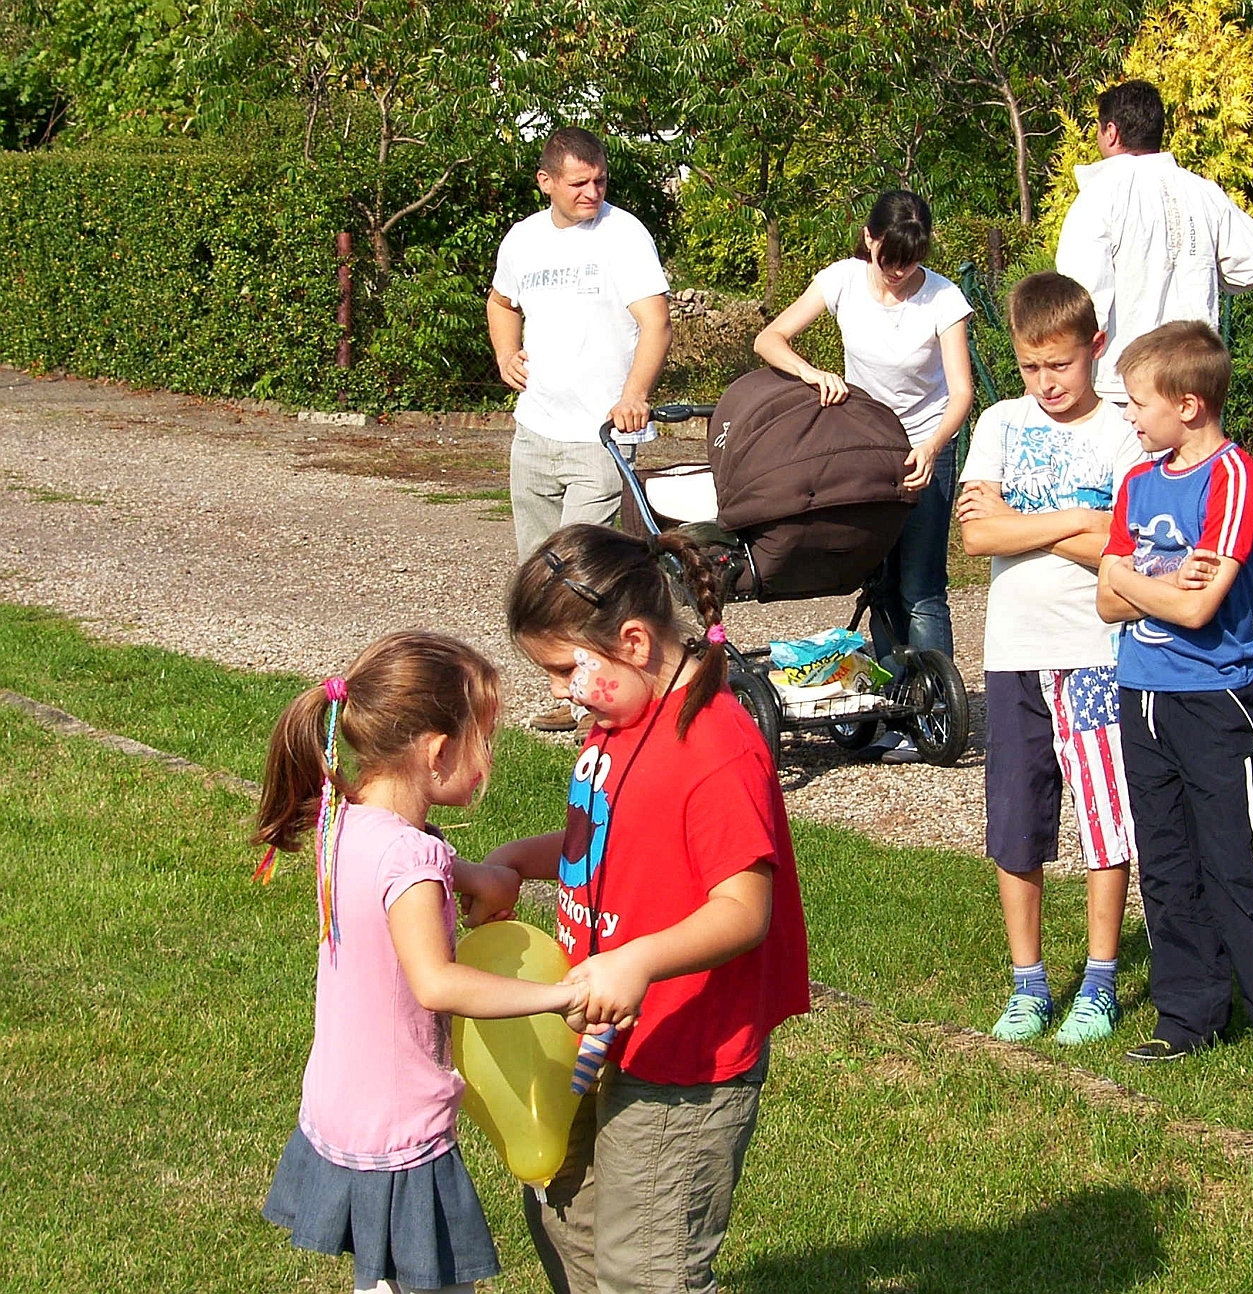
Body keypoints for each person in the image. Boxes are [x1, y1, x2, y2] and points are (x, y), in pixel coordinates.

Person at [484, 523, 810, 1294]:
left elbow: (743, 908)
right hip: (598, 1032)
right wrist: (513, 863)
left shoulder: (714, 747)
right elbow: (607, 838)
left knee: (648, 1271)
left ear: (633, 642)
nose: (558, 692)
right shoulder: (619, 722)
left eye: (563, 669)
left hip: (681, 1056)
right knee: (565, 1219)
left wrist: (636, 961)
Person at [254, 632, 585, 1294]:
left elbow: (413, 864)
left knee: (382, 1277)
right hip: (400, 1124)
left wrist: (477, 877)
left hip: (342, 1105)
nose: (489, 761)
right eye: (483, 740)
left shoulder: (344, 822)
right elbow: (436, 983)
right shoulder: (413, 861)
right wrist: (561, 997)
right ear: (437, 753)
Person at [1095, 320, 1253, 1077]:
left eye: (1139, 403)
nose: (1130, 417)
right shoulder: (1137, 483)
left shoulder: (1233, 478)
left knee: (1236, 862)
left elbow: (1199, 610)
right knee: (1166, 863)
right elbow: (1105, 600)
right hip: (1141, 693)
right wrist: (1156, 581)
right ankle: (1187, 1015)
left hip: (1212, 700)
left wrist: (1132, 579)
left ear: (1188, 405)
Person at [955, 272, 1145, 1045]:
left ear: (1095, 348)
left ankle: (1099, 982)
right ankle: (1028, 984)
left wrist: (1025, 518)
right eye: (1031, 367)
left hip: (1095, 654)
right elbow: (977, 536)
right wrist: (1077, 519)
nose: (1046, 382)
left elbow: (1122, 546)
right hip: (1015, 655)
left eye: (1060, 365)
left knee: (1106, 822)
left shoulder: (1124, 433)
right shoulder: (1000, 422)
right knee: (1016, 820)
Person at [754, 191, 973, 761]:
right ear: (869, 240)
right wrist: (811, 373)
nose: (899, 272)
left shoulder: (943, 297)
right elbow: (769, 338)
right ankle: (892, 707)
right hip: (866, 447)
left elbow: (961, 392)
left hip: (925, 443)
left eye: (912, 261)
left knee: (921, 586)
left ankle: (933, 712)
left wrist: (932, 447)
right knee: (879, 582)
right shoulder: (843, 280)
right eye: (889, 259)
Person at [490, 127, 672, 734]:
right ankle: (568, 690)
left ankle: (599, 696)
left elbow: (656, 323)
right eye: (579, 183)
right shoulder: (523, 240)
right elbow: (501, 303)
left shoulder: (625, 235)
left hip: (601, 438)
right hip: (536, 430)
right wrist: (505, 353)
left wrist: (634, 396)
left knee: (583, 575)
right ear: (546, 182)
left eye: (600, 181)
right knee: (539, 573)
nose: (592, 192)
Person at [1056, 79, 1253, 406]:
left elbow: (1081, 297)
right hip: (1192, 382)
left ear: (1111, 132)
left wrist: (1057, 374)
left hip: (1122, 388)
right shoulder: (1203, 192)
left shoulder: (1100, 194)